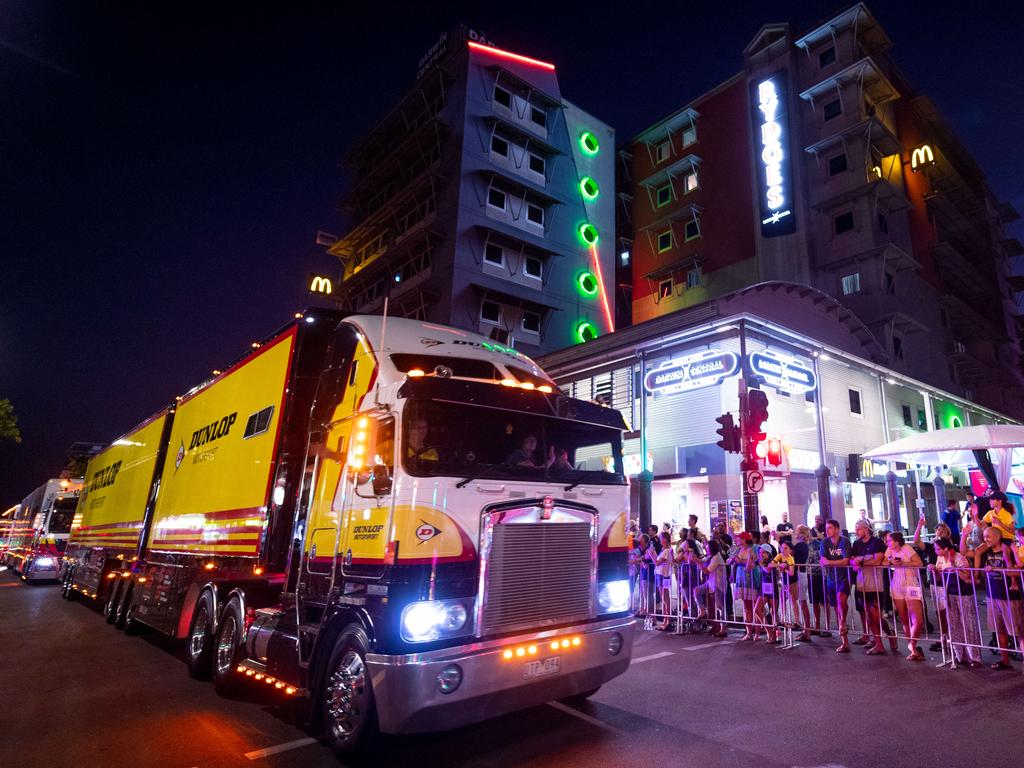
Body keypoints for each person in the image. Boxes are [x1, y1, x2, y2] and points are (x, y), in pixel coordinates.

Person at [963, 522, 1023, 670]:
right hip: (992, 595)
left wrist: (996, 567)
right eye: (984, 537)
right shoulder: (984, 552)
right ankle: (1005, 660)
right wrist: (964, 535)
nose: (986, 539)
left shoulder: (1008, 549)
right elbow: (965, 552)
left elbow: (1017, 571)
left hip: (1010, 596)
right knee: (1000, 630)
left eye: (988, 536)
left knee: (1019, 631)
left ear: (998, 536)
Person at [930, 536, 981, 667]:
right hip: (949, 593)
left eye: (938, 549)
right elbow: (940, 578)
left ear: (946, 548)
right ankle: (959, 655)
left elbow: (968, 577)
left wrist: (955, 569)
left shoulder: (959, 558)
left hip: (963, 594)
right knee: (954, 625)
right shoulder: (940, 558)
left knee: (968, 624)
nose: (935, 551)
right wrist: (934, 571)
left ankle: (974, 657)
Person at [850, 519, 893, 655]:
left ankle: (889, 634)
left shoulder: (877, 542)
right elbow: (852, 560)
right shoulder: (856, 544)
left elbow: (878, 560)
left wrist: (861, 561)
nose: (856, 531)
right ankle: (878, 643)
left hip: (875, 584)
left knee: (876, 615)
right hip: (861, 584)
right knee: (868, 615)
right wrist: (855, 562)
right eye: (856, 529)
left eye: (859, 529)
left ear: (866, 529)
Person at [885, 531, 926, 661]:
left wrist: (903, 563)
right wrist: (891, 562)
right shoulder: (889, 550)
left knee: (918, 619)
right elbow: (884, 561)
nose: (888, 543)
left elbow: (919, 563)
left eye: (890, 541)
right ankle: (913, 649)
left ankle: (912, 645)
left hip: (911, 582)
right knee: (903, 616)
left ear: (897, 541)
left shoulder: (906, 548)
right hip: (897, 583)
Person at [820, 519, 852, 652]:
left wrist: (830, 562)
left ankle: (843, 622)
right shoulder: (824, 542)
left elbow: (845, 561)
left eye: (831, 528)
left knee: (841, 599)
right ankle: (844, 641)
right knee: (835, 607)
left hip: (844, 577)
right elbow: (822, 560)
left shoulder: (844, 541)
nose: (828, 530)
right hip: (830, 579)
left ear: (837, 529)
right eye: (827, 528)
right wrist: (830, 562)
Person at [728, 532, 761, 641]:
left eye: (739, 538)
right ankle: (749, 632)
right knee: (746, 607)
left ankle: (757, 632)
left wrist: (740, 561)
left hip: (751, 579)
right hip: (741, 579)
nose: (737, 540)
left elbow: (755, 561)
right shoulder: (738, 550)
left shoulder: (753, 548)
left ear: (744, 539)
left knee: (754, 606)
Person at [694, 540, 728, 637]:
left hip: (718, 584)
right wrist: (694, 558)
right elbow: (702, 561)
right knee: (697, 590)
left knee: (719, 606)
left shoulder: (717, 558)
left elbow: (706, 571)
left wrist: (697, 562)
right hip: (710, 582)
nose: (706, 548)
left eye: (708, 547)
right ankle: (702, 610)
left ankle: (723, 628)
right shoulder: (711, 556)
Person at [772, 540, 798, 642]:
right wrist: (779, 565)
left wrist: (784, 569)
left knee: (793, 600)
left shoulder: (790, 559)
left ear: (790, 550)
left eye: (786, 548)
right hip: (784, 582)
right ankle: (783, 619)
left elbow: (791, 573)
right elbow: (771, 564)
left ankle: (796, 620)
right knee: (782, 599)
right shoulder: (779, 556)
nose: (783, 549)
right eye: (782, 547)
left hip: (792, 581)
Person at [790, 525, 813, 641]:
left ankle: (807, 629)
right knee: (801, 601)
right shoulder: (803, 545)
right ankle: (806, 629)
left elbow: (790, 556)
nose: (795, 532)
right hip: (800, 574)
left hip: (800, 574)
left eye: (798, 531)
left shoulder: (801, 545)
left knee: (803, 602)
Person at [757, 544, 779, 643]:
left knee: (773, 612)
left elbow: (767, 569)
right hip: (764, 588)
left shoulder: (772, 561)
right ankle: (769, 631)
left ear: (768, 553)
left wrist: (761, 564)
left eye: (763, 553)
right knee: (757, 609)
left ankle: (774, 635)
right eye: (760, 553)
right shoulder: (760, 561)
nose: (761, 555)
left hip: (772, 588)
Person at [654, 531, 675, 630]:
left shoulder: (667, 550)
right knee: (664, 598)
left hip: (664, 575)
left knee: (665, 598)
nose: (659, 539)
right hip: (661, 575)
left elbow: (657, 563)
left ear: (665, 539)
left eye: (661, 538)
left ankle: (667, 621)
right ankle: (666, 620)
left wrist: (652, 553)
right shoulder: (666, 550)